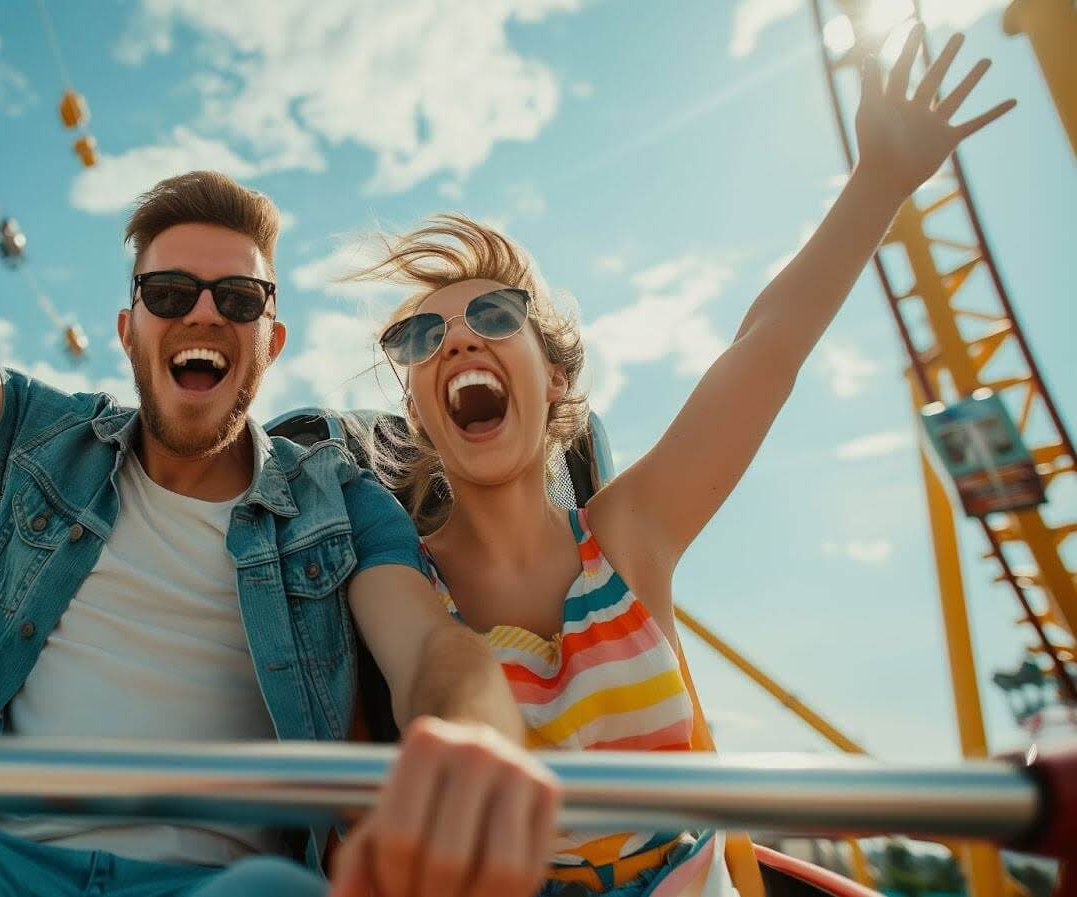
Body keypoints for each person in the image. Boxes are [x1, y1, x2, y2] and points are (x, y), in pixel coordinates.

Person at [0, 2, 561, 896]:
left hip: (222, 881)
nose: (204, 312)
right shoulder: (46, 444)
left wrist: (473, 736)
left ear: (270, 340)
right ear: (129, 331)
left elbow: (431, 647)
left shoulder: (335, 497)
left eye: (239, 299)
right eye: (171, 292)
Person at [335, 26, 1014, 897]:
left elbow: (766, 347)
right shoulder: (408, 585)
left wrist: (878, 181)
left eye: (496, 315)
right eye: (421, 336)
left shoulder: (629, 532)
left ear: (558, 374)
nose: (457, 336)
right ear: (420, 408)